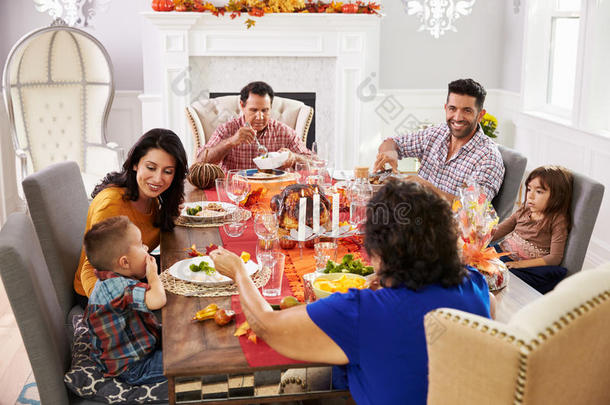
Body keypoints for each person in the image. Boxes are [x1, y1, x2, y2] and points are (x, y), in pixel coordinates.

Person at [210, 179, 491, 404]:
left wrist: (238, 270)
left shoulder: (362, 311)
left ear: (379, 249)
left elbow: (266, 325)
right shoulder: (475, 284)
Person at [74, 128, 188, 305]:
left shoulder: (153, 199)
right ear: (135, 164)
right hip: (107, 297)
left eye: (168, 171)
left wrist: (171, 215)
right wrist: (119, 305)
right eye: (151, 167)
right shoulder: (111, 205)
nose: (158, 179)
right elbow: (89, 270)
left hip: (136, 280)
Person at [373, 78, 505, 202]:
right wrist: (390, 153)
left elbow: (473, 211)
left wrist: (427, 189)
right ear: (445, 108)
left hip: (446, 225)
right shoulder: (437, 133)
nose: (457, 117)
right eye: (452, 109)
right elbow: (391, 142)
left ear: (480, 115)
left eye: (467, 111)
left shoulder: (489, 158)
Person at [83, 216, 166, 385]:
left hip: (139, 342)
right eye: (141, 244)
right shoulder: (120, 288)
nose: (147, 247)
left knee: (178, 336)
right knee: (181, 363)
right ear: (125, 262)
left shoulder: (110, 280)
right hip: (133, 367)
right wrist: (152, 275)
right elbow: (158, 300)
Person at [491, 165, 573, 294]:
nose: (531, 196)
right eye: (529, 189)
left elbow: (555, 257)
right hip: (503, 253)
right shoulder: (524, 210)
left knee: (497, 277)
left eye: (539, 192)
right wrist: (479, 239)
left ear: (558, 196)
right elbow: (500, 230)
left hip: (526, 266)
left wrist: (520, 265)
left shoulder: (558, 220)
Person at [197, 81, 312, 171]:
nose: (260, 117)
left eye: (265, 110)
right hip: (235, 191)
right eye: (254, 110)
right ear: (242, 106)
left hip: (273, 193)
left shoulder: (284, 132)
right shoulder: (227, 130)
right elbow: (199, 162)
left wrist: (294, 157)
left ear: (271, 107)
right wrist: (231, 142)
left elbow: (314, 163)